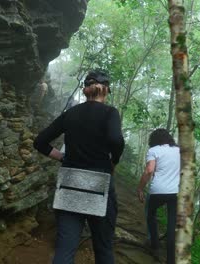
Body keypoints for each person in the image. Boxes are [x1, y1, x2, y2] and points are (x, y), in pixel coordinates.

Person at [33, 70, 125, 264]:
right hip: (100, 184)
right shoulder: (110, 113)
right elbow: (116, 139)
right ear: (106, 90)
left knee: (65, 248)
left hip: (69, 182)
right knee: (104, 248)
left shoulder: (70, 114)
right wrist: (113, 161)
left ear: (86, 90)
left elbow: (40, 142)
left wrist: (62, 157)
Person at [136, 128, 180, 264]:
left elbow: (149, 170)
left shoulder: (154, 150)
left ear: (154, 139)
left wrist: (140, 188)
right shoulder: (179, 150)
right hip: (175, 193)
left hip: (157, 191)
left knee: (150, 214)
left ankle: (154, 244)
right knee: (171, 226)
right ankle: (171, 261)